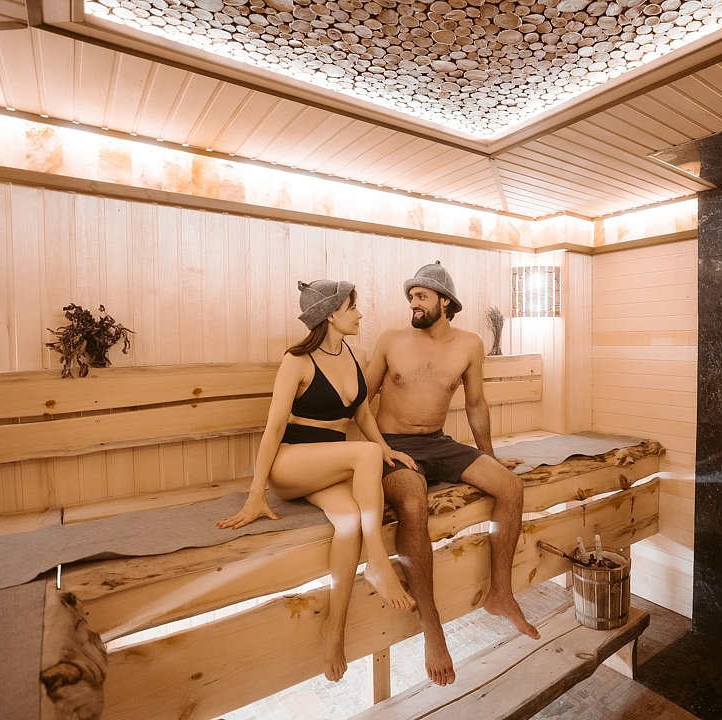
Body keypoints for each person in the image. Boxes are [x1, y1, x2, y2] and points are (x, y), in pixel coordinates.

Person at [217, 279, 416, 683]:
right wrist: (256, 494)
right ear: (330, 314)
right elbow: (273, 429)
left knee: (349, 521)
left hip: (328, 465)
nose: (360, 314)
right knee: (365, 454)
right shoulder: (297, 360)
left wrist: (386, 448)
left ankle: (334, 631)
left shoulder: (350, 355)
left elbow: (362, 415)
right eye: (352, 307)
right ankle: (378, 562)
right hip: (290, 465)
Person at [366, 261, 540, 687]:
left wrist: (489, 457)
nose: (413, 303)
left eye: (421, 296)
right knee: (413, 503)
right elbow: (361, 401)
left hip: (439, 443)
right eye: (410, 297)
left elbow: (476, 403)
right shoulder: (391, 340)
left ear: (445, 301)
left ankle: (501, 593)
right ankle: (433, 627)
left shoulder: (469, 345)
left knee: (510, 487)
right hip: (394, 445)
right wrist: (376, 451)